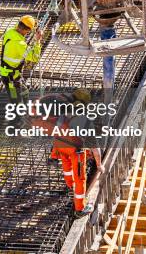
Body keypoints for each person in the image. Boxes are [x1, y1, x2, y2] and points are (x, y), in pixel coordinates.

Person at [32, 89, 105, 218]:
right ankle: (80, 208)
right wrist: (99, 165)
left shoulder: (59, 111)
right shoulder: (85, 122)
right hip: (75, 152)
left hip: (60, 145)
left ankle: (69, 184)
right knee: (80, 179)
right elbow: (95, 149)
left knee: (67, 167)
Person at [0, 15, 43, 104]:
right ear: (27, 30)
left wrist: (34, 25)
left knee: (24, 92)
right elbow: (35, 57)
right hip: (10, 78)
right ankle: (18, 115)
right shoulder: (20, 44)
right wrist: (37, 41)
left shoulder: (10, 32)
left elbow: (23, 23)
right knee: (15, 99)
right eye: (29, 31)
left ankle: (25, 109)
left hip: (11, 74)